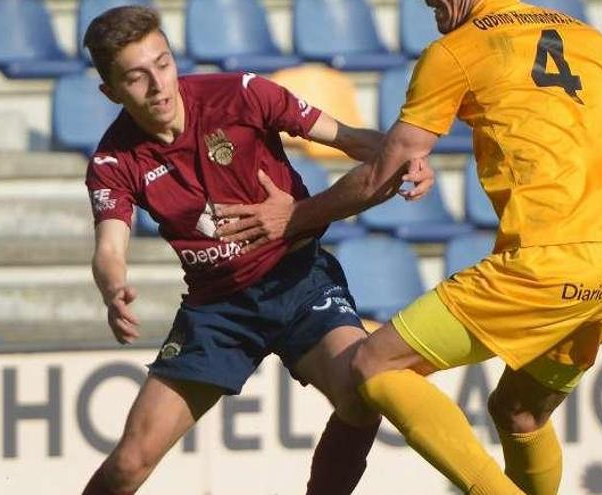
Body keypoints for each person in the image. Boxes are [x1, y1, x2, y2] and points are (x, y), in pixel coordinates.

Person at [214, 0, 602, 493]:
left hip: (545, 263)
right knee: (519, 413)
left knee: (373, 364)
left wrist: (295, 217)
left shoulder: (459, 49)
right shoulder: (595, 42)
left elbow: (383, 172)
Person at [79, 6, 433, 495]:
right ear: (110, 91)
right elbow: (109, 247)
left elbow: (351, 139)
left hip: (299, 280)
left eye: (162, 64)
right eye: (137, 78)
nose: (159, 86)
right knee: (129, 465)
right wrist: (113, 286)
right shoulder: (113, 159)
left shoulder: (241, 94)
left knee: (363, 392)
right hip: (218, 310)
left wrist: (408, 160)